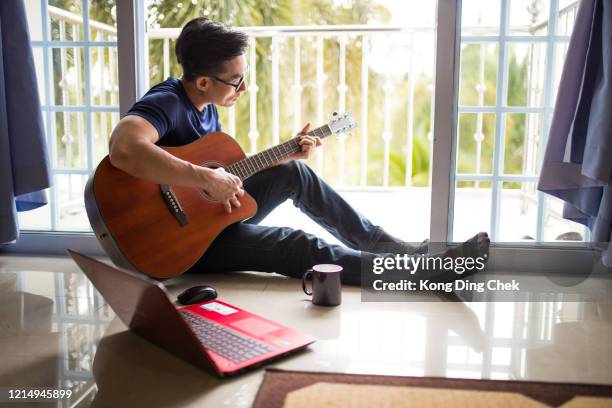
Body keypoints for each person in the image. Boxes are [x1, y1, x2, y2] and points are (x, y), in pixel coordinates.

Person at [108, 18, 489, 286]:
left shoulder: (205, 106)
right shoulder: (169, 101)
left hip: (206, 220)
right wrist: (206, 177)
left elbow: (217, 175)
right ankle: (417, 275)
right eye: (236, 82)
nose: (243, 90)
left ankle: (398, 251)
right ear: (204, 81)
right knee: (298, 244)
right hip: (179, 245)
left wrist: (282, 156)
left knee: (296, 174)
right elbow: (124, 148)